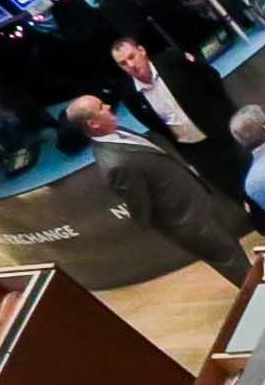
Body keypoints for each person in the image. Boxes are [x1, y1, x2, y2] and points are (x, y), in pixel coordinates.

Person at [66, 95, 253, 287]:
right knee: (233, 263)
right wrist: (179, 223)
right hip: (188, 222)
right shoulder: (115, 165)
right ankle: (260, 295)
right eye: (101, 107)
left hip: (196, 203)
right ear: (93, 123)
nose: (108, 106)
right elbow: (141, 208)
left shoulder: (116, 132)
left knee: (233, 252)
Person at [99, 30, 246, 200]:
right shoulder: (129, 94)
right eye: (123, 63)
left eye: (132, 57)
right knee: (232, 190)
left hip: (223, 131)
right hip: (194, 150)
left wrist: (228, 117)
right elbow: (153, 124)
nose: (130, 65)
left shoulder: (173, 60)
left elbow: (211, 79)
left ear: (142, 51)